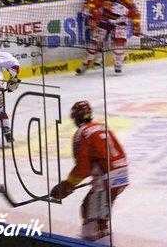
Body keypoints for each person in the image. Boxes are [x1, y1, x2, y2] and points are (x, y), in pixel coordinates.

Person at [49, 101, 129, 242]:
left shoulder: (82, 133)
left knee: (91, 214)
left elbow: (83, 168)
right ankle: (100, 237)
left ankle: (91, 241)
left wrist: (68, 185)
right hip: (121, 174)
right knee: (98, 212)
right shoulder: (101, 127)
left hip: (106, 179)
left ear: (74, 118)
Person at [76, 0, 141, 74]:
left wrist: (136, 26)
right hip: (104, 21)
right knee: (94, 43)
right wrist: (89, 13)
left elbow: (136, 14)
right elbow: (91, 2)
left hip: (119, 23)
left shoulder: (127, 1)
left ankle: (118, 63)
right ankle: (85, 64)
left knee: (119, 43)